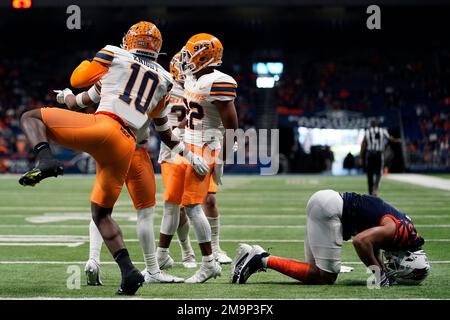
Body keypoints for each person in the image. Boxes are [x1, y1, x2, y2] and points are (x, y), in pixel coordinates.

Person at [18, 21, 209, 295]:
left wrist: (90, 67)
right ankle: (129, 272)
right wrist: (190, 155)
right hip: (126, 145)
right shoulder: (165, 79)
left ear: (129, 41)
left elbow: (77, 81)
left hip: (103, 125)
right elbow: (164, 131)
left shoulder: (114, 55)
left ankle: (44, 159)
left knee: (31, 117)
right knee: (102, 214)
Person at [156, 33, 239, 283]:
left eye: (191, 54)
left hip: (204, 148)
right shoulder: (194, 80)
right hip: (189, 148)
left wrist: (222, 159)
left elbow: (232, 125)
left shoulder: (218, 81)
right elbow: (192, 110)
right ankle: (164, 255)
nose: (187, 59)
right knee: (174, 203)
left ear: (204, 55)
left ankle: (209, 262)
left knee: (192, 207)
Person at [231, 189, 429, 287]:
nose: (394, 262)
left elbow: (373, 239)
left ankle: (259, 258)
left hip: (326, 203)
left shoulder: (405, 231)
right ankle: (260, 258)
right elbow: (361, 241)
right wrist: (379, 274)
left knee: (314, 275)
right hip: (330, 209)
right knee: (326, 276)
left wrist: (380, 269)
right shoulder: (397, 232)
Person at [360, 120, 400, 196]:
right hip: (379, 154)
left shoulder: (368, 132)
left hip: (370, 154)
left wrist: (361, 156)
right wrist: (396, 140)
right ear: (377, 125)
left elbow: (363, 144)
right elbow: (390, 138)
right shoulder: (382, 131)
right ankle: (375, 187)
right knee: (379, 172)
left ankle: (371, 191)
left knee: (370, 173)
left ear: (371, 125)